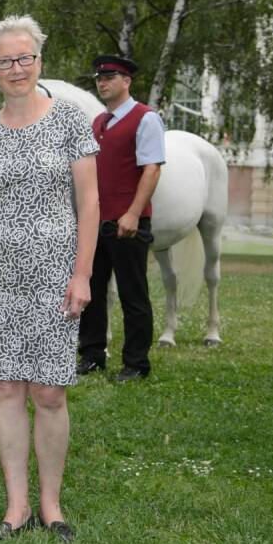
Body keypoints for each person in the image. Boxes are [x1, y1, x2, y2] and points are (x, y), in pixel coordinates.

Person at [0, 15, 99, 542]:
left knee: (50, 393)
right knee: (5, 387)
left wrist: (82, 275)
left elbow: (89, 203)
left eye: (25, 58)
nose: (16, 69)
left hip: (55, 278)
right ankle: (15, 508)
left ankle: (51, 506)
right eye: (5, 61)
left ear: (39, 61)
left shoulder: (70, 121)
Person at [77, 56, 165, 382]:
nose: (103, 83)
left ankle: (136, 363)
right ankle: (92, 355)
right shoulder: (99, 122)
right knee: (93, 291)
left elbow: (152, 168)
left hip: (127, 223)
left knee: (133, 294)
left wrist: (133, 212)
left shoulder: (145, 119)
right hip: (96, 222)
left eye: (110, 77)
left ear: (126, 81)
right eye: (99, 78)